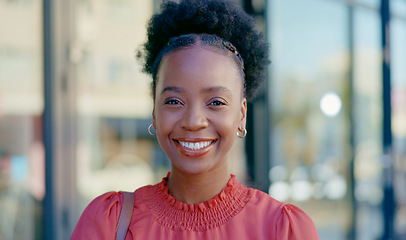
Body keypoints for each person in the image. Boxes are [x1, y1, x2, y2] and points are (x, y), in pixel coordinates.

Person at [71, 0, 320, 239]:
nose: (193, 121)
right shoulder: (111, 221)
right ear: (155, 112)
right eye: (174, 101)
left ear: (242, 114)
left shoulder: (281, 229)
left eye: (216, 102)